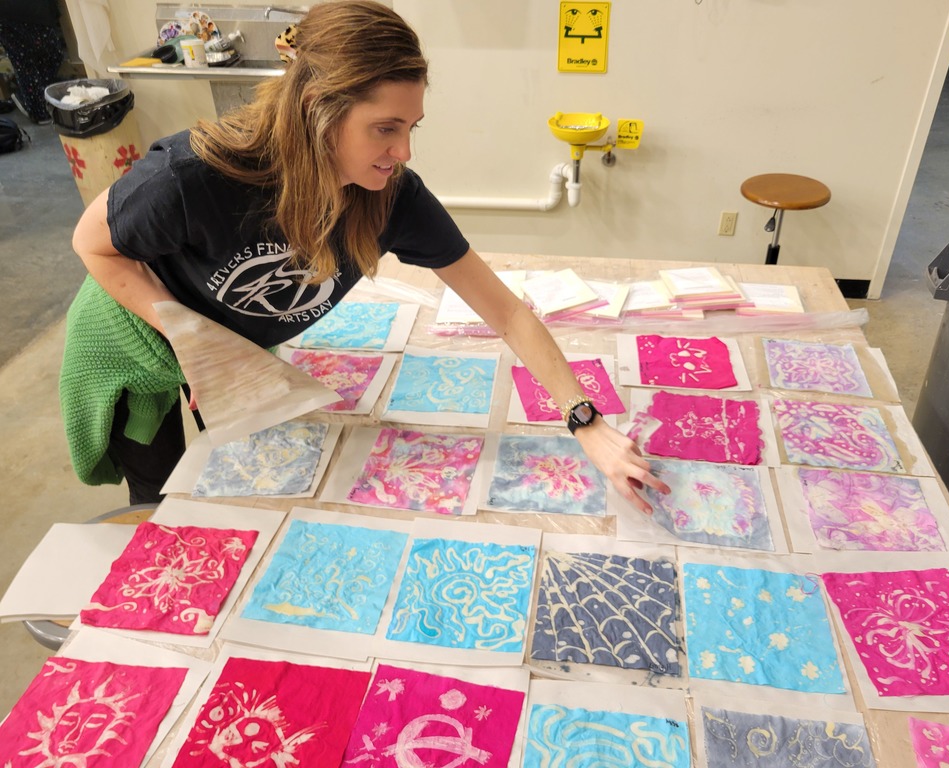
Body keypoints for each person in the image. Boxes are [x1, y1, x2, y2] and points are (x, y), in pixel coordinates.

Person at [61, 0, 669, 512]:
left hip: (230, 346)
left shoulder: (391, 199)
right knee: (167, 501)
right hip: (130, 340)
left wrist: (586, 422)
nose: (402, 150)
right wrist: (191, 342)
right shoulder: (195, 176)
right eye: (385, 128)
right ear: (317, 110)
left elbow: (507, 313)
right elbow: (92, 244)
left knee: (238, 486)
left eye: (413, 128)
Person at [0, 0, 64, 124]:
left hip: (26, 10)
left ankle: (36, 102)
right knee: (28, 61)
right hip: (17, 11)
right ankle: (38, 110)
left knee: (49, 56)